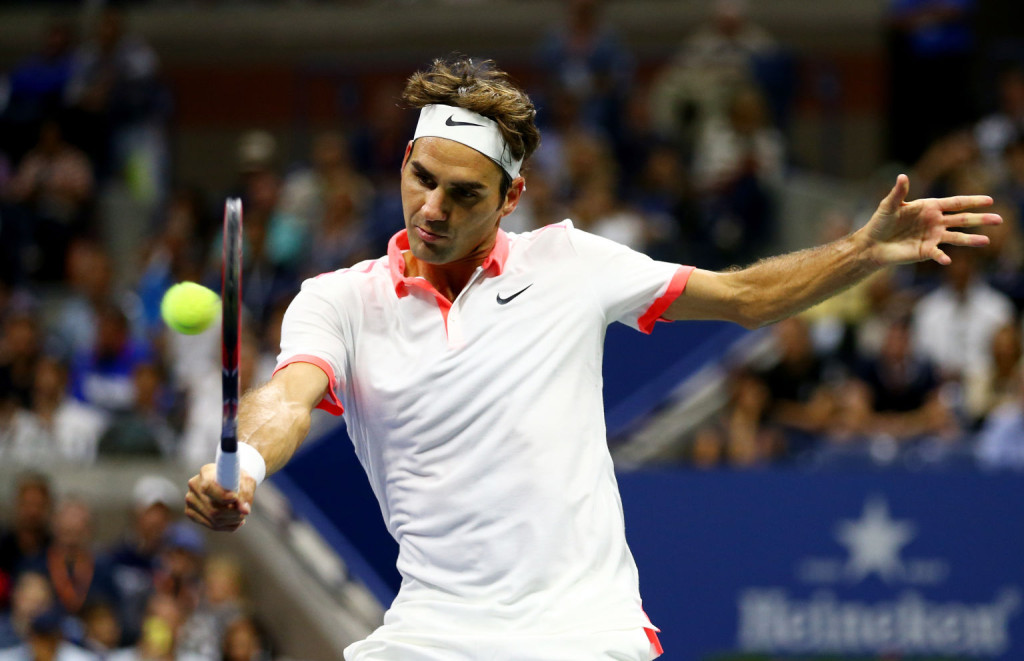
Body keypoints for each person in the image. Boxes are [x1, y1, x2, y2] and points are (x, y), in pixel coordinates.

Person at [184, 56, 1000, 661]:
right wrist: (246, 461)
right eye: (422, 178)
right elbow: (289, 396)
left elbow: (746, 297)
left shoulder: (573, 266)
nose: (433, 208)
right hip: (430, 632)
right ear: (403, 162)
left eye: (464, 194)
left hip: (582, 633)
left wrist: (861, 248)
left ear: (511, 198)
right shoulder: (339, 300)